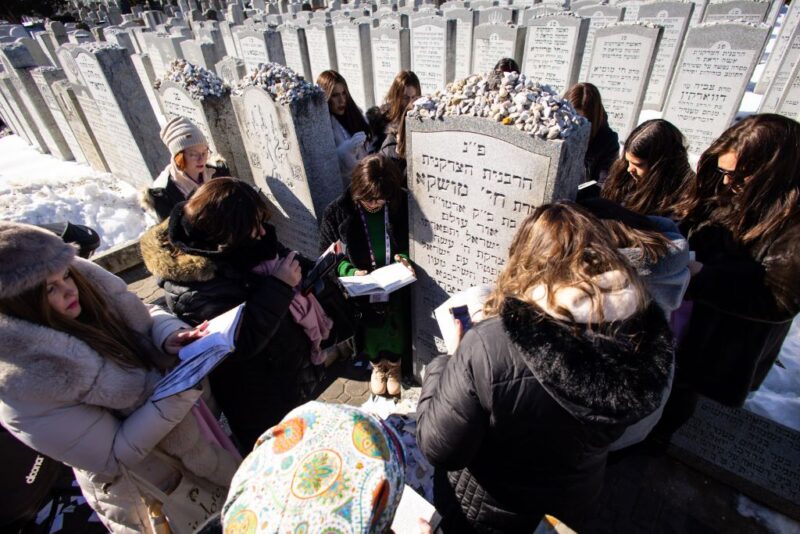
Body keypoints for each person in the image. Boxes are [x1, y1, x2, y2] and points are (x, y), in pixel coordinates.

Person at [416, 201, 672, 532]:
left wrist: (448, 361)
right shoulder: (641, 336)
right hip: (570, 502)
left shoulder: (489, 345)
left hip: (488, 507)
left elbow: (440, 448)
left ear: (528, 260)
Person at [0, 222, 239, 533]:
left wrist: (168, 335)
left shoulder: (86, 296)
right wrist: (176, 395)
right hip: (155, 491)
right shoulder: (23, 387)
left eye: (66, 275)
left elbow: (141, 314)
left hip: (195, 437)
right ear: (19, 305)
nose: (69, 289)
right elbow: (113, 455)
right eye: (49, 289)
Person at [140, 178, 329, 451]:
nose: (262, 232)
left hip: (288, 368)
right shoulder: (194, 286)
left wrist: (317, 268)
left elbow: (280, 255)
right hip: (257, 396)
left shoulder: (244, 243)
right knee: (282, 454)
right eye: (254, 226)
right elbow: (240, 342)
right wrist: (279, 286)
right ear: (224, 231)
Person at [669, 114, 800, 410]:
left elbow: (777, 298)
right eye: (724, 171)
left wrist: (703, 276)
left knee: (685, 408)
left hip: (722, 348)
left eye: (739, 176)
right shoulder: (728, 187)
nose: (727, 182)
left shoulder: (792, 224)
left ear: (773, 174)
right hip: (682, 325)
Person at [319, 155, 412, 397]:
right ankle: (377, 366)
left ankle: (394, 366)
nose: (374, 204)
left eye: (381, 199)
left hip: (395, 283)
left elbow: (415, 241)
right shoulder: (337, 212)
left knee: (396, 327)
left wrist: (404, 257)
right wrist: (349, 271)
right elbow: (328, 256)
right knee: (369, 332)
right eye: (368, 199)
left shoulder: (401, 203)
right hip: (362, 289)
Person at [601, 119, 696, 220]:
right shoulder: (623, 175)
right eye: (628, 161)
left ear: (661, 164)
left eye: (638, 165)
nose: (630, 169)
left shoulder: (683, 200)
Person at [143, 116, 229, 222]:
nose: (201, 159)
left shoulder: (218, 171)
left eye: (204, 152)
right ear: (179, 157)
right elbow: (173, 228)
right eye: (193, 154)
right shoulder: (163, 194)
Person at [317, 70, 372, 185]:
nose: (342, 100)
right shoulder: (323, 128)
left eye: (343, 93)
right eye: (335, 95)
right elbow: (328, 167)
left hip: (367, 179)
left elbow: (370, 147)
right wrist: (345, 150)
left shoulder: (356, 115)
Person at [563, 82, 620, 184]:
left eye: (582, 121)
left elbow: (604, 183)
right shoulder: (557, 129)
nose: (575, 126)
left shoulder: (608, 141)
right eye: (571, 118)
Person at [378, 71, 421, 177]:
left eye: (414, 97)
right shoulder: (381, 120)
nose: (411, 103)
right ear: (396, 97)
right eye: (405, 98)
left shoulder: (420, 118)